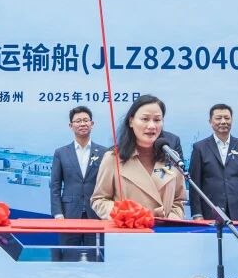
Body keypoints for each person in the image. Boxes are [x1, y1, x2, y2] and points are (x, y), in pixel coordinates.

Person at [91, 95, 186, 219]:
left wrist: (171, 220)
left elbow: (179, 201)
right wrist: (127, 215)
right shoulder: (113, 158)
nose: (152, 126)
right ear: (131, 121)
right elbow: (99, 200)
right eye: (145, 119)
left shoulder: (172, 157)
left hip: (164, 229)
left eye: (157, 120)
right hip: (128, 228)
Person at [49, 106, 108, 260]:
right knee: (68, 258)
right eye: (78, 121)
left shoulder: (104, 153)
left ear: (92, 124)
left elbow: (108, 184)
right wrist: (58, 214)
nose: (82, 124)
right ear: (71, 125)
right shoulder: (61, 153)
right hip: (68, 215)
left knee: (96, 258)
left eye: (86, 120)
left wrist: (108, 213)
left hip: (96, 214)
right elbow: (55, 186)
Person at [188, 104, 238, 224]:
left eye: (227, 118)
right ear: (210, 121)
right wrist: (197, 215)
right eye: (218, 118)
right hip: (210, 210)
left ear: (232, 120)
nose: (223, 121)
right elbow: (195, 184)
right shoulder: (199, 148)